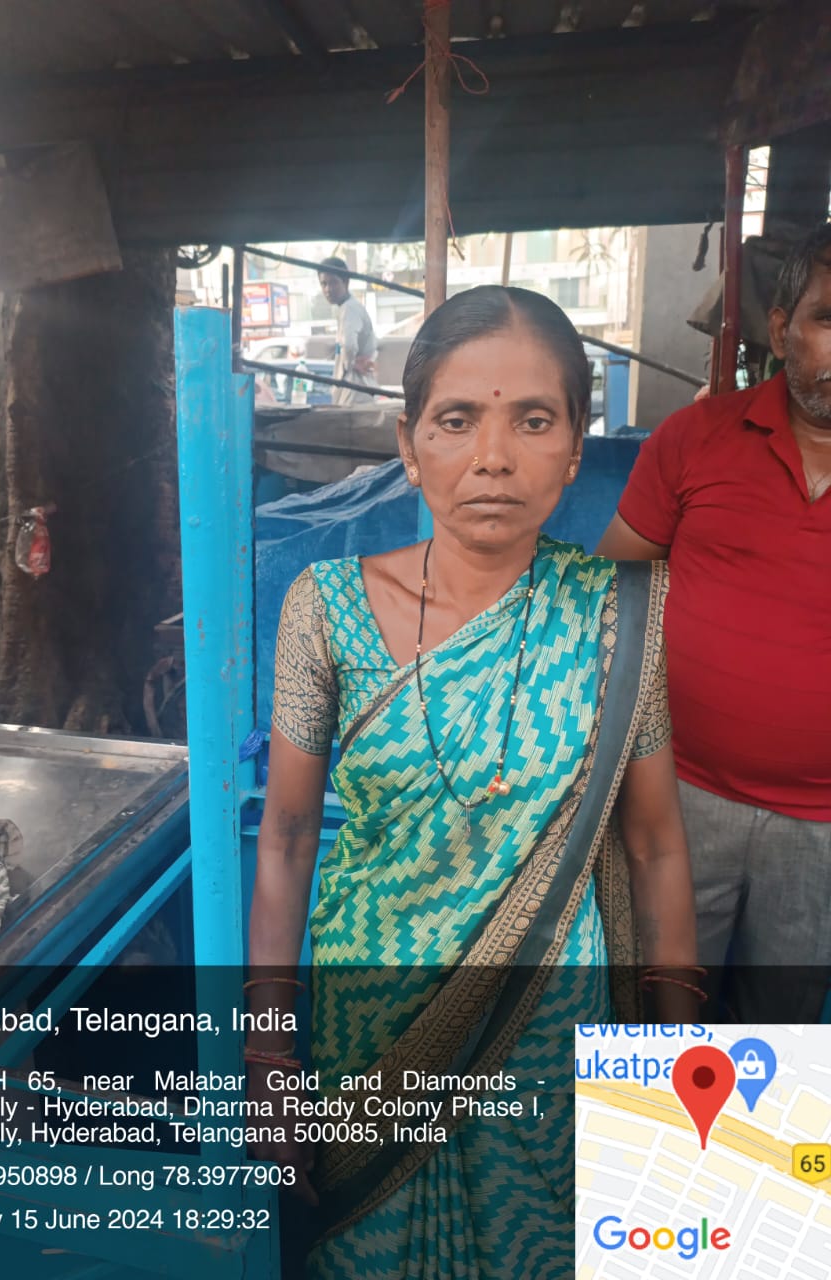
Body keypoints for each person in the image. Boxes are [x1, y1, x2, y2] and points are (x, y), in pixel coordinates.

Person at [247, 286, 699, 1278]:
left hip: (548, 1036)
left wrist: (676, 1063)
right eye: (457, 420)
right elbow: (284, 837)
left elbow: (657, 845)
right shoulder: (322, 606)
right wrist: (269, 1058)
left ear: (575, 448)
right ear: (409, 445)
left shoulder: (620, 615)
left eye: (534, 420)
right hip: (368, 1029)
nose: (494, 455)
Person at [596, 222, 831, 1022]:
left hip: (823, 829)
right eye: (830, 319)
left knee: (779, 1035)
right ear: (781, 329)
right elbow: (611, 589)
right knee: (651, 1015)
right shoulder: (696, 438)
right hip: (678, 797)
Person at [317, 256, 378, 406]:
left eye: (333, 282)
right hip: (355, 388)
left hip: (355, 389)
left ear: (346, 282)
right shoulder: (348, 307)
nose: (328, 289)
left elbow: (349, 345)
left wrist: (351, 364)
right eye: (324, 284)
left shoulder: (349, 308)